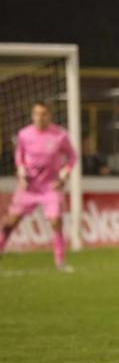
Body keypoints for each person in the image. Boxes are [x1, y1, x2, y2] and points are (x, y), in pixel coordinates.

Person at [0, 101, 77, 271]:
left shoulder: (59, 135)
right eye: (37, 114)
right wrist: (21, 171)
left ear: (49, 115)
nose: (40, 117)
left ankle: (60, 262)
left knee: (56, 221)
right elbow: (19, 157)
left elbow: (72, 157)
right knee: (10, 223)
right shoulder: (24, 135)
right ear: (32, 115)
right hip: (29, 187)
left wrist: (63, 176)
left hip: (50, 186)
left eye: (44, 114)